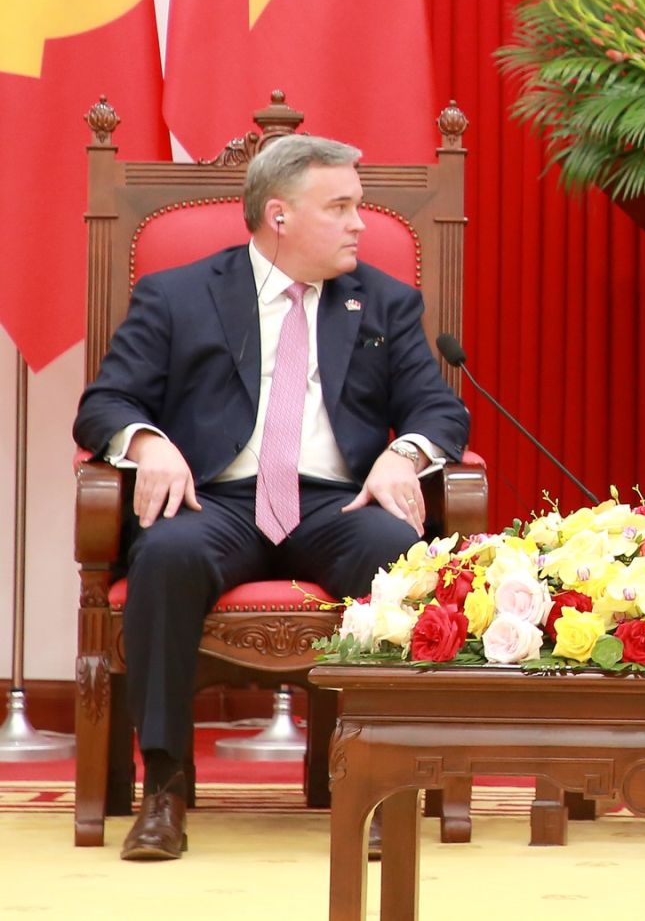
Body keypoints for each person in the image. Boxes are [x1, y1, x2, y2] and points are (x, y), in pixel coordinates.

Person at [74, 135, 470, 861]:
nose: (359, 222)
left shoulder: (383, 301)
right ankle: (164, 788)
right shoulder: (178, 295)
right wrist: (148, 442)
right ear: (279, 215)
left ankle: (382, 784)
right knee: (166, 555)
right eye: (340, 207)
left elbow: (439, 411)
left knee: (399, 556)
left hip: (336, 504)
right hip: (216, 501)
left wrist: (403, 453)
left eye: (358, 205)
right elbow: (105, 403)